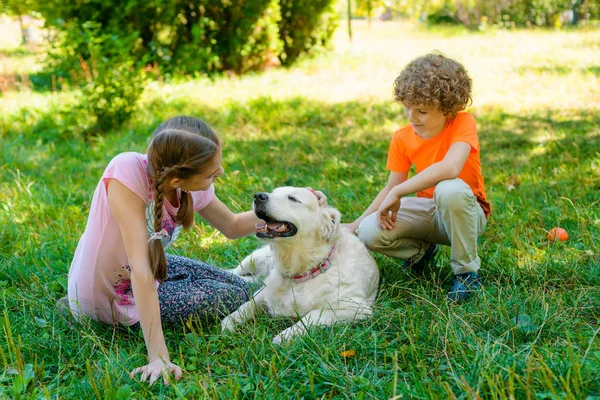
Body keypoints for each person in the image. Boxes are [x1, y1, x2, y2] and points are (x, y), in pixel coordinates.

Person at [64, 115, 326, 385]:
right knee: (233, 296)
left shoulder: (186, 185)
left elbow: (233, 226)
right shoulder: (126, 172)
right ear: (178, 180)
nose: (221, 173)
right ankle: (86, 310)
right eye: (212, 173)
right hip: (109, 294)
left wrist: (298, 207)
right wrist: (158, 357)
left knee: (239, 287)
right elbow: (141, 271)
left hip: (149, 268)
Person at [344, 53, 491, 303]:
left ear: (448, 109)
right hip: (430, 211)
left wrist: (400, 192)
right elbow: (392, 186)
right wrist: (354, 225)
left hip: (466, 213)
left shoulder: (462, 122)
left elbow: (451, 167)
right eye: (407, 107)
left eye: (422, 111)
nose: (411, 117)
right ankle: (420, 253)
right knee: (369, 231)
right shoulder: (402, 138)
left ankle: (467, 273)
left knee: (449, 189)